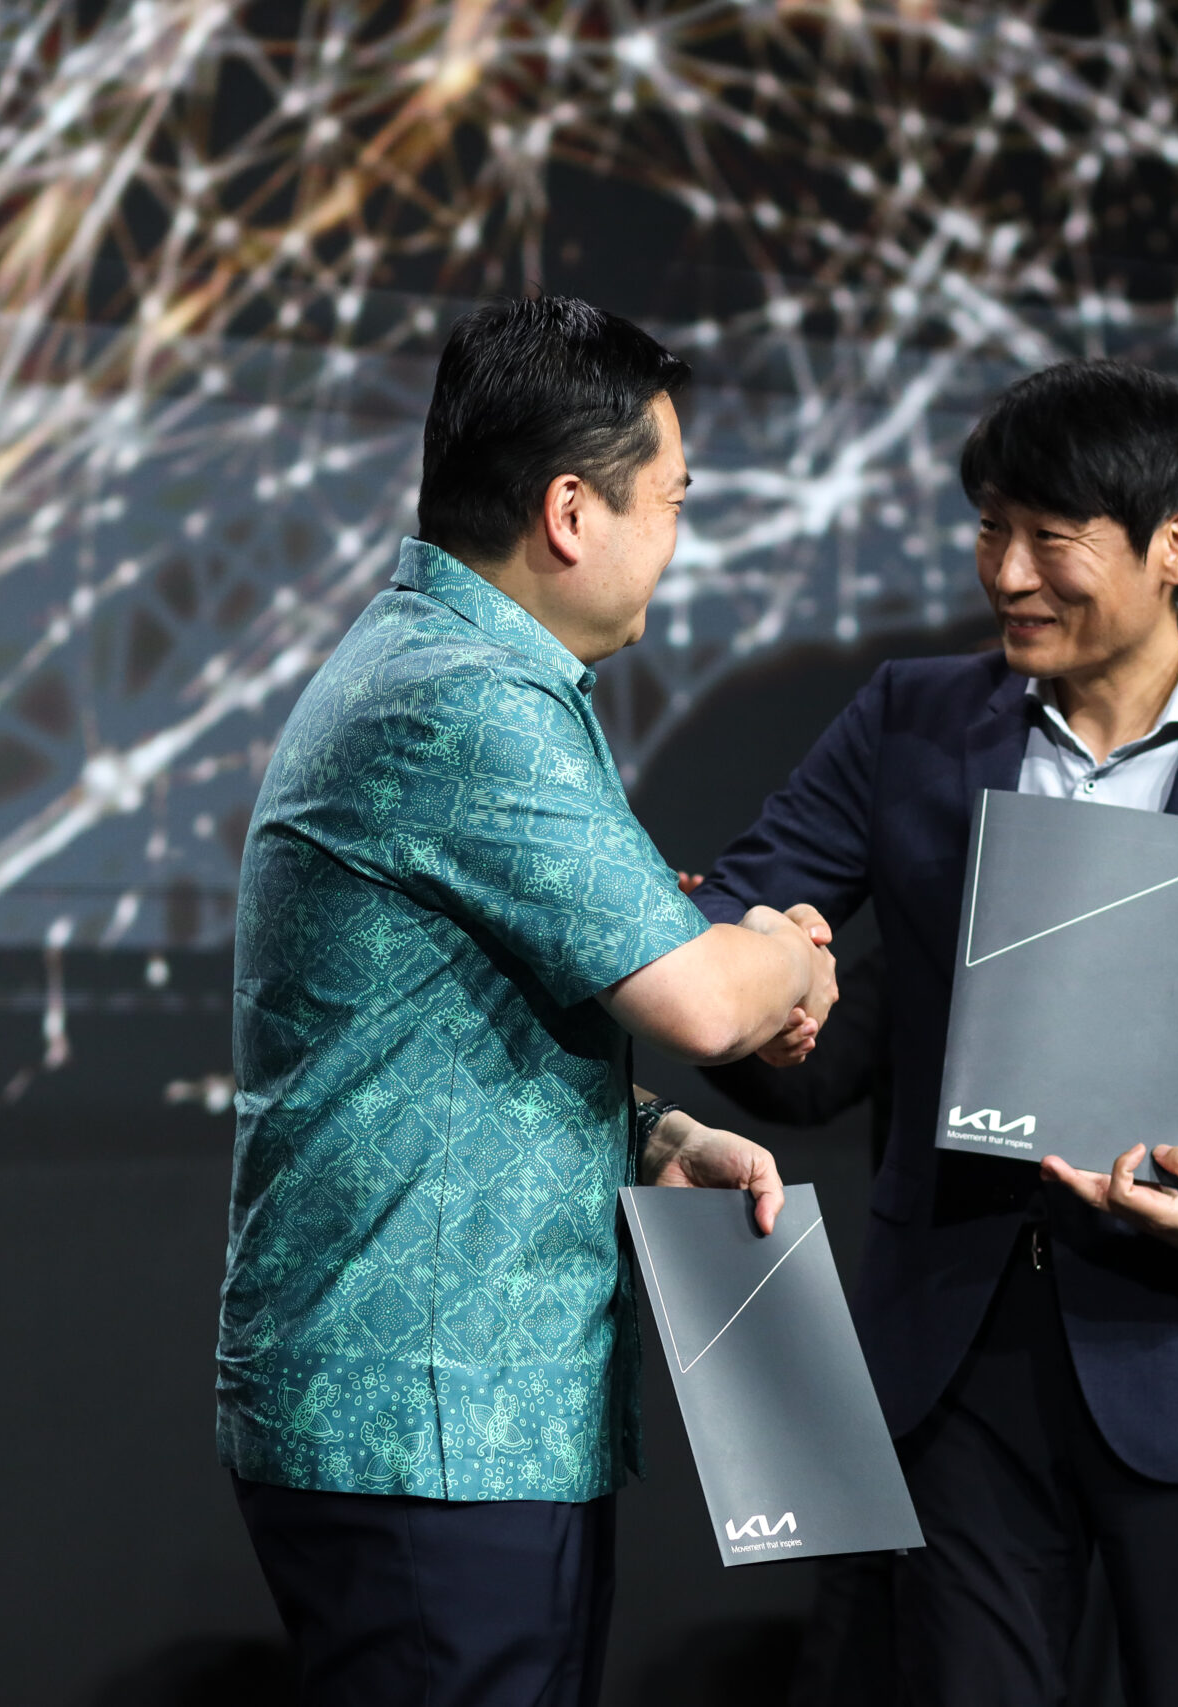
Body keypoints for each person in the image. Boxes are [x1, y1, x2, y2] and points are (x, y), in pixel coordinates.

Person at [691, 360, 1178, 1707]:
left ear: (1176, 545)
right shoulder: (908, 721)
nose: (1008, 573)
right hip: (954, 1358)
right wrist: (761, 979)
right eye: (990, 529)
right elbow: (741, 910)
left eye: (1051, 536)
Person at [216, 295, 838, 1707]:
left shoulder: (460, 671)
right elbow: (701, 997)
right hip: (430, 1429)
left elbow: (447, 1028)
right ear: (571, 512)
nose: (675, 540)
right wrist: (791, 954)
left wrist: (655, 1138)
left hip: (465, 1421)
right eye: (670, 501)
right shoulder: (468, 699)